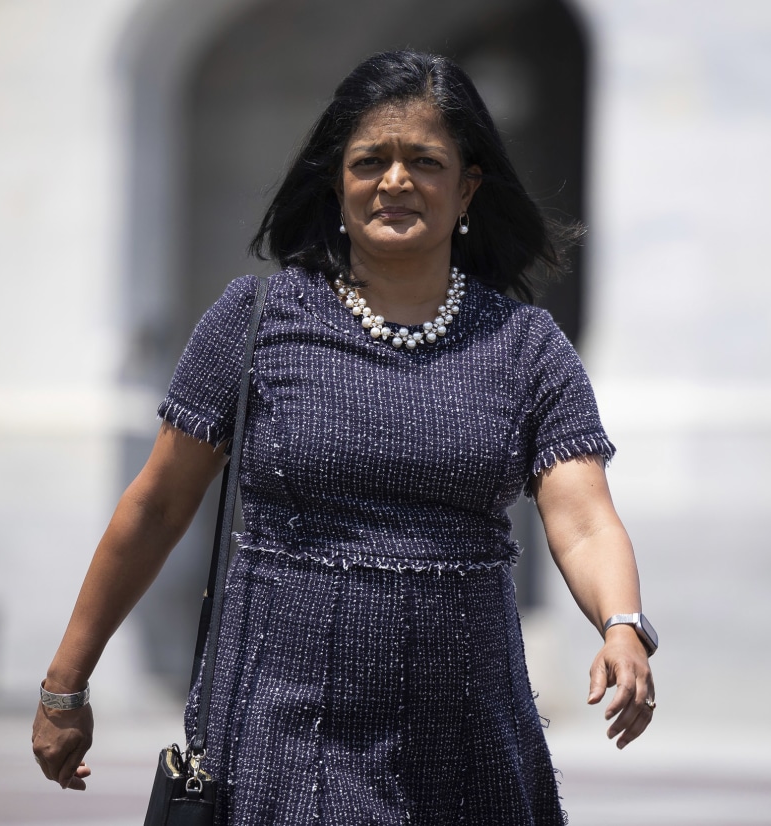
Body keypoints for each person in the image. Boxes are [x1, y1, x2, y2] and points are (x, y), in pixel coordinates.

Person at [32, 49, 656, 824]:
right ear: (336, 183)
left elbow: (585, 517)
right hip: (279, 736)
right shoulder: (255, 321)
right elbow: (156, 507)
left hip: (471, 744)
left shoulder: (526, 345)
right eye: (370, 162)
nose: (395, 180)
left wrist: (622, 626)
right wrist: (66, 684)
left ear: (467, 188)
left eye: (425, 161)